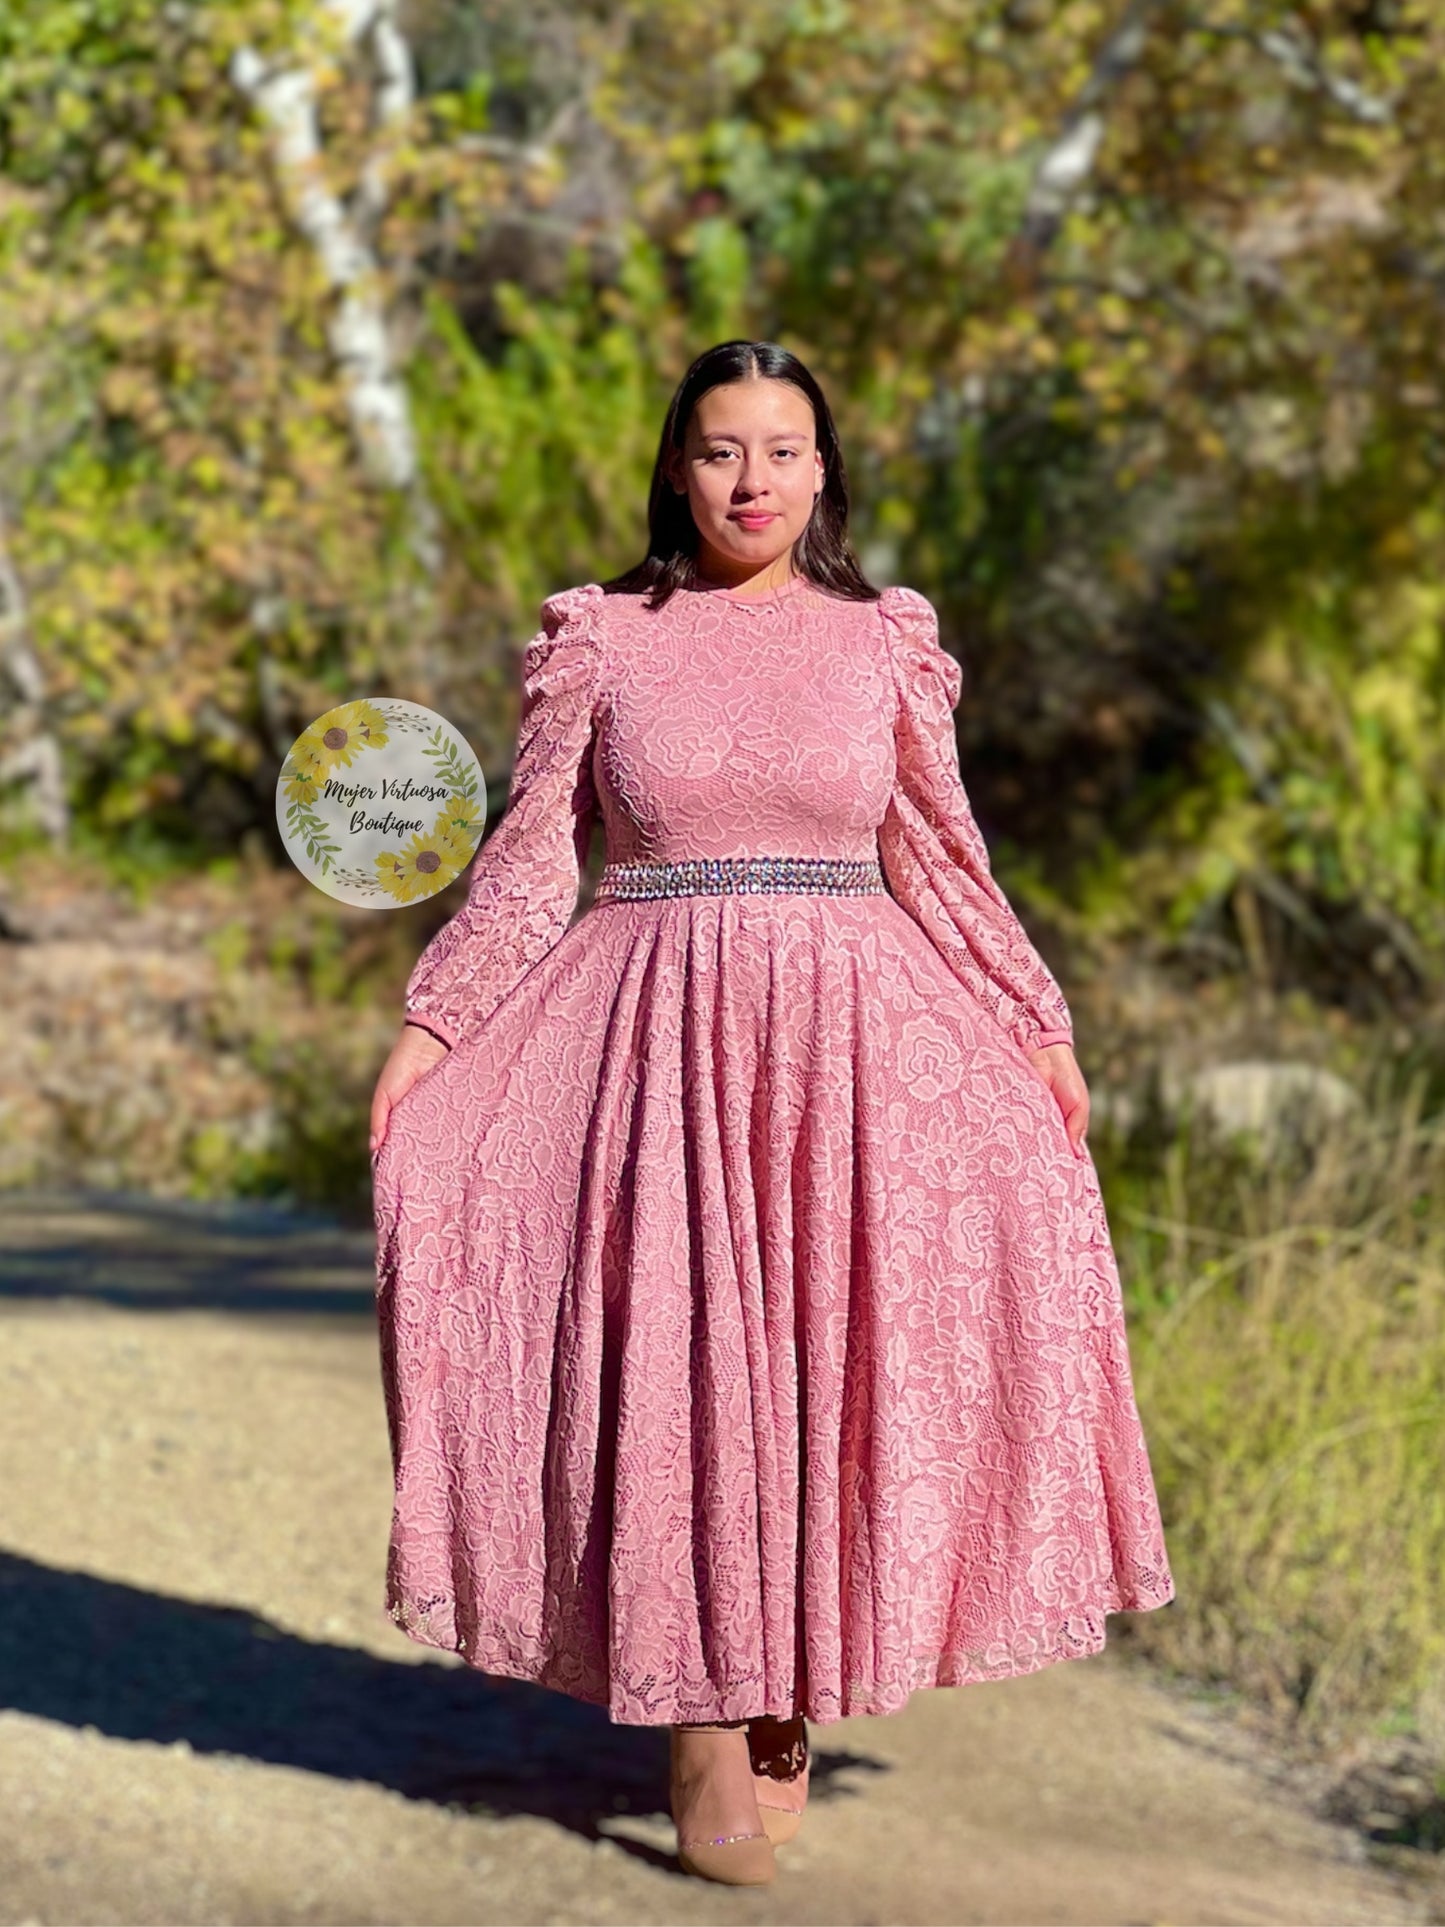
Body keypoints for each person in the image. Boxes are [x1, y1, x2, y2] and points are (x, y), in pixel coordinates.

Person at [369, 338, 1174, 1887]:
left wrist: (1032, 1016)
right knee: (686, 1361)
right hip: (653, 1022)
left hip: (852, 1033)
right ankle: (700, 1694)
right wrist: (437, 1018)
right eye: (723, 450)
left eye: (783, 451)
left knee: (828, 1345)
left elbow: (941, 854)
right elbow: (537, 855)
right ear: (677, 465)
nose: (753, 481)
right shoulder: (599, 636)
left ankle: (791, 1671)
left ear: (824, 469)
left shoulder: (884, 640)